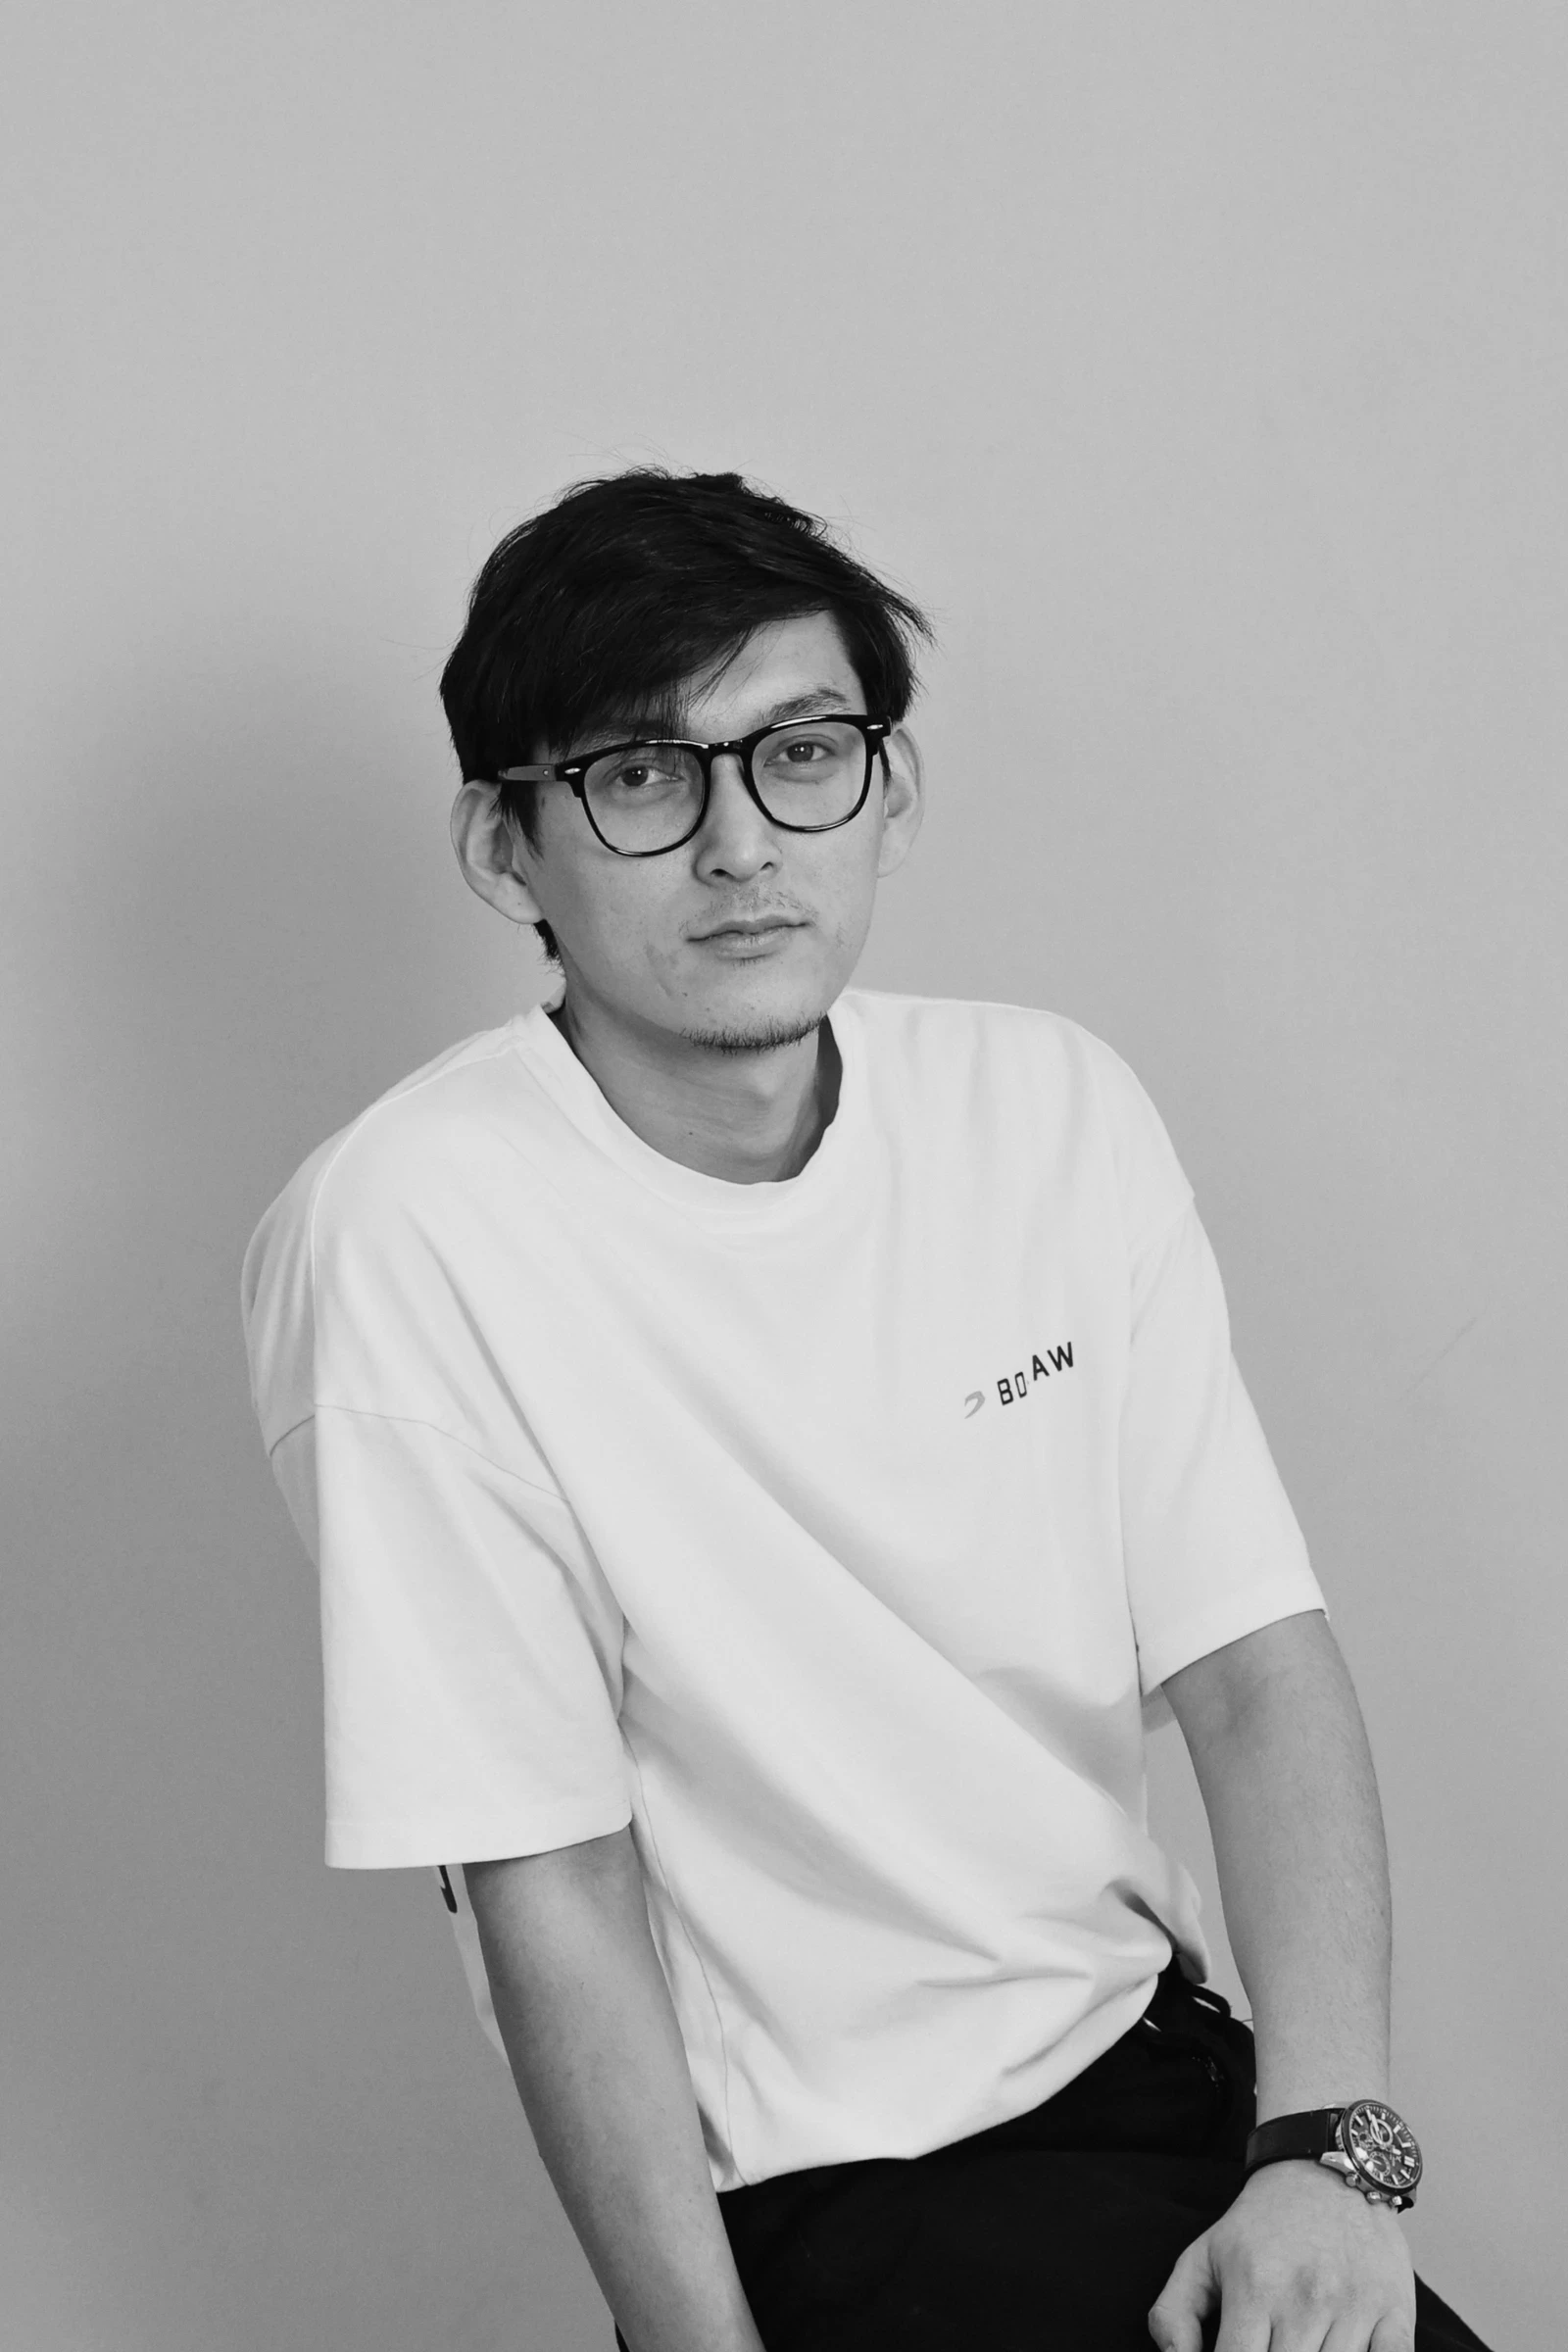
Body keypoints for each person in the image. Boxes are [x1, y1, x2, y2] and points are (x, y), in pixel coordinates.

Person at [240, 468, 1493, 2352]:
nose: (743, 845)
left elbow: (1253, 1665)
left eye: (803, 752)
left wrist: (1329, 2154)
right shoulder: (412, 1231)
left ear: (889, 788)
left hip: (1165, 2089)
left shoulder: (1049, 1109)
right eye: (643, 777)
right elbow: (545, 1881)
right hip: (826, 2196)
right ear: (508, 845)